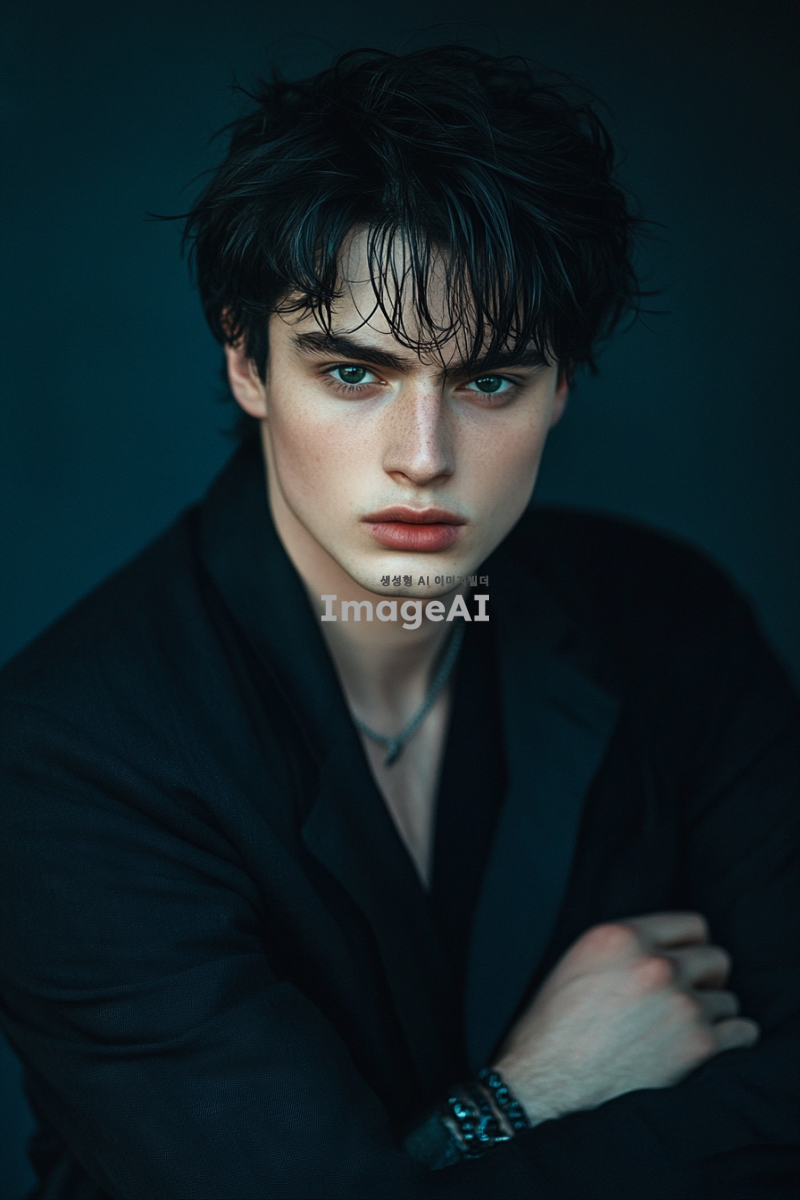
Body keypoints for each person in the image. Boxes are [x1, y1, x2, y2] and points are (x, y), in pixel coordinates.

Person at [0, 46, 797, 1200]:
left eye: (487, 383)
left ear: (562, 385)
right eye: (353, 374)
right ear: (246, 361)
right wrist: (512, 1101)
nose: (421, 460)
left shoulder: (669, 621)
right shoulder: (67, 759)